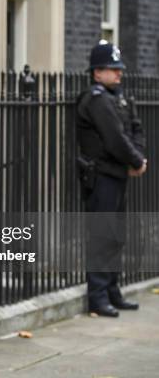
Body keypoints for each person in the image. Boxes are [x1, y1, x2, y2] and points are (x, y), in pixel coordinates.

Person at [76, 40, 146, 317]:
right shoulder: (96, 100)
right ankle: (98, 296)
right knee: (102, 236)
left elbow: (136, 129)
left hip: (119, 174)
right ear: (96, 73)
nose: (118, 74)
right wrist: (136, 160)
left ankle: (113, 291)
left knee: (116, 236)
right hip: (101, 176)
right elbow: (115, 139)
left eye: (119, 69)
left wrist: (137, 158)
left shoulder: (120, 97)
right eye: (112, 69)